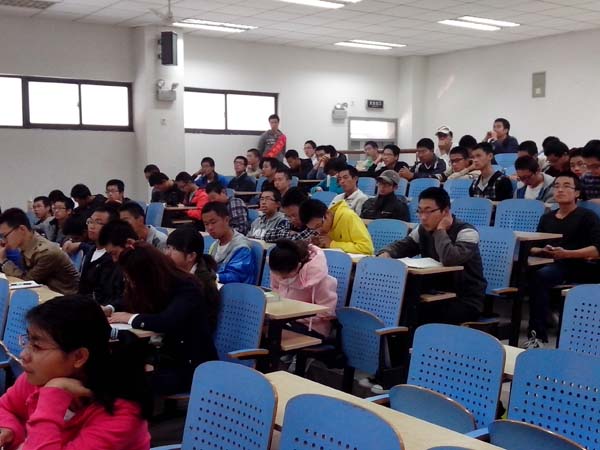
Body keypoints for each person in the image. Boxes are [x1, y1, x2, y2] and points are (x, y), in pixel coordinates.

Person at [0, 295, 151, 450]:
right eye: (28, 341)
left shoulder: (120, 414)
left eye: (37, 346)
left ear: (79, 357)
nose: (23, 355)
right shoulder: (40, 376)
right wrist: (9, 429)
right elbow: (5, 407)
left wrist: (53, 394)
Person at [109, 242, 219, 395]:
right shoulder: (156, 284)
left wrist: (130, 318)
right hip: (161, 356)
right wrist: (110, 308)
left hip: (188, 366)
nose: (130, 282)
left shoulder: (187, 288)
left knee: (125, 383)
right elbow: (128, 300)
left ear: (147, 273)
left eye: (131, 277)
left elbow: (167, 321)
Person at [379, 187, 485, 324]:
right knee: (399, 306)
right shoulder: (422, 230)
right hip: (435, 292)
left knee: (418, 315)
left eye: (428, 211)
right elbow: (404, 246)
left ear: (445, 211)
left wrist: (440, 230)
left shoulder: (467, 232)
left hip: (464, 299)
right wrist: (386, 253)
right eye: (420, 211)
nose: (423, 217)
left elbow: (449, 259)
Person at [526, 172, 600, 346]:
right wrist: (543, 250)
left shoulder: (587, 217)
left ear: (577, 193)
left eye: (566, 186)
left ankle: (537, 335)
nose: (560, 190)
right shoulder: (547, 217)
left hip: (579, 264)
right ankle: (545, 318)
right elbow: (532, 246)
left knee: (541, 276)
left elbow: (597, 250)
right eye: (557, 186)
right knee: (526, 271)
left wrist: (568, 253)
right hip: (553, 262)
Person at [0, 208, 79, 295]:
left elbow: (27, 282)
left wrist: (4, 261)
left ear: (22, 229)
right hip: (48, 293)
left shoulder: (46, 252)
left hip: (65, 297)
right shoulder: (26, 245)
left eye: (5, 236)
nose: (3, 241)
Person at [269, 240, 337, 337]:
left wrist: (292, 315)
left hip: (312, 327)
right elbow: (275, 291)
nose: (280, 278)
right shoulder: (278, 270)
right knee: (262, 330)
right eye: (276, 274)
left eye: (285, 276)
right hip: (285, 319)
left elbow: (326, 312)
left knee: (273, 336)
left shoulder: (321, 281)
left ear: (298, 266)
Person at [79, 206, 124, 313]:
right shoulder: (91, 251)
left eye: (98, 223)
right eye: (90, 221)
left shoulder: (115, 257)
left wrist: (109, 308)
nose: (91, 226)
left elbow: (118, 295)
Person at [202, 201, 255, 284]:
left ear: (226, 220)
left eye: (213, 222)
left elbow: (237, 276)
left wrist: (212, 277)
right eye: (206, 224)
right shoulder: (214, 245)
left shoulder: (242, 247)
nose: (210, 228)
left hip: (236, 290)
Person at [299, 199, 374, 255]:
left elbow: (367, 248)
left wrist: (332, 244)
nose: (319, 231)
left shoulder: (348, 216)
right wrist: (320, 244)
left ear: (327, 213)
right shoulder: (326, 226)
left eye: (319, 225)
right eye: (313, 229)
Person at [165, 227, 219, 300]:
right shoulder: (170, 273)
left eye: (174, 249)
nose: (167, 253)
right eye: (168, 247)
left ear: (191, 256)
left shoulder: (203, 285)